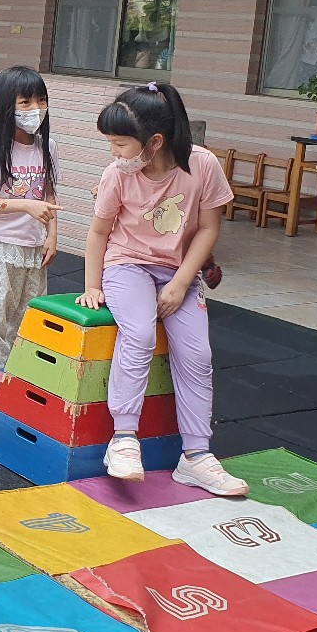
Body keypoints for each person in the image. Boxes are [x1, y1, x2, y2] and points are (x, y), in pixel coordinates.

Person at [77, 83, 246, 496]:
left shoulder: (202, 164)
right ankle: (123, 438)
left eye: (120, 144)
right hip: (127, 264)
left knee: (198, 355)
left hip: (177, 270)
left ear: (154, 142)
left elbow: (209, 229)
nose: (114, 153)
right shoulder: (117, 174)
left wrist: (182, 282)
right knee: (138, 333)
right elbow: (99, 232)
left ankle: (196, 456)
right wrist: (92, 285)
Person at [0, 66, 60, 414]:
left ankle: (16, 383)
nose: (35, 109)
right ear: (8, 106)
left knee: (27, 315)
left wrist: (52, 235)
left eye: (41, 101)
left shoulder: (47, 148)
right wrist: (25, 205)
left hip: (32, 247)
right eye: (25, 102)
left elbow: (49, 196)